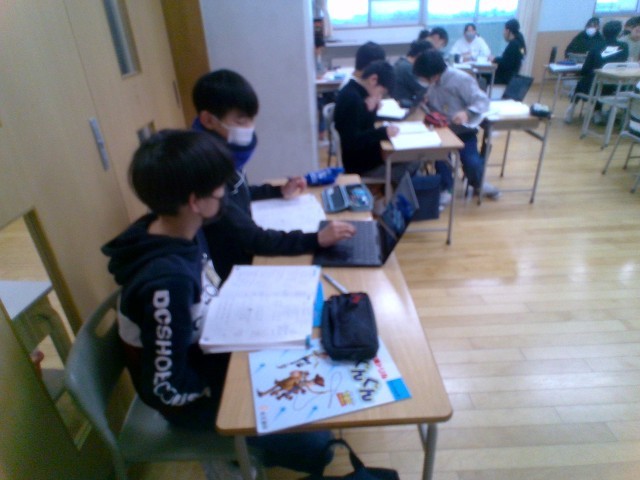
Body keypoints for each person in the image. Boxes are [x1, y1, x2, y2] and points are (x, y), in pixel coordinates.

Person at [101, 130, 334, 476]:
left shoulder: (176, 226)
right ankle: (228, 459)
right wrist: (229, 391)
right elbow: (164, 387)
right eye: (219, 188)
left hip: (213, 351)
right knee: (317, 445)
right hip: (191, 399)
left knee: (309, 360)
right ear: (195, 201)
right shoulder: (167, 283)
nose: (226, 193)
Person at [192, 69, 355, 281]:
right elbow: (253, 239)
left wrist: (278, 191)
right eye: (241, 121)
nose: (249, 128)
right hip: (238, 271)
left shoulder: (223, 151)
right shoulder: (207, 170)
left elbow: (239, 191)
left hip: (247, 254)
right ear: (208, 120)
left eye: (251, 119)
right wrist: (317, 239)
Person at [413, 50, 501, 199]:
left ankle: (478, 184)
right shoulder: (432, 83)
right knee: (440, 158)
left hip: (463, 131)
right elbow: (430, 103)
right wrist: (424, 102)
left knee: (472, 162)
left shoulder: (461, 79)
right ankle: (446, 188)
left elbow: (483, 101)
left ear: (434, 75)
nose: (424, 82)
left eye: (425, 78)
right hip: (441, 130)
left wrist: (467, 113)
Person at [334, 60, 418, 182]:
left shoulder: (354, 92)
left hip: (361, 158)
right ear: (373, 80)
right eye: (381, 92)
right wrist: (383, 132)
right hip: (359, 166)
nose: (380, 97)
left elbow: (364, 126)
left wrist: (371, 110)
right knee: (414, 160)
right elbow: (353, 142)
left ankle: (393, 189)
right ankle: (392, 192)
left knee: (408, 156)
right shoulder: (353, 99)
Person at [565, 20, 629, 124]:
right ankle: (597, 113)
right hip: (615, 87)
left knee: (583, 83)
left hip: (594, 87)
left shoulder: (596, 47)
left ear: (603, 32)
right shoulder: (624, 47)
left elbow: (585, 69)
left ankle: (571, 108)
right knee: (601, 81)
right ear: (619, 33)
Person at [392, 39, 433, 107]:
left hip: (399, 102)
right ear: (420, 55)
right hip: (403, 105)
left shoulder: (401, 62)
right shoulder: (408, 68)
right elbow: (424, 90)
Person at [491, 18, 526, 85]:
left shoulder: (513, 45)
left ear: (508, 30)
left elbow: (506, 63)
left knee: (483, 75)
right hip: (513, 75)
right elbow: (511, 59)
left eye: (504, 30)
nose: (503, 32)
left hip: (506, 77)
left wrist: (494, 59)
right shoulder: (520, 43)